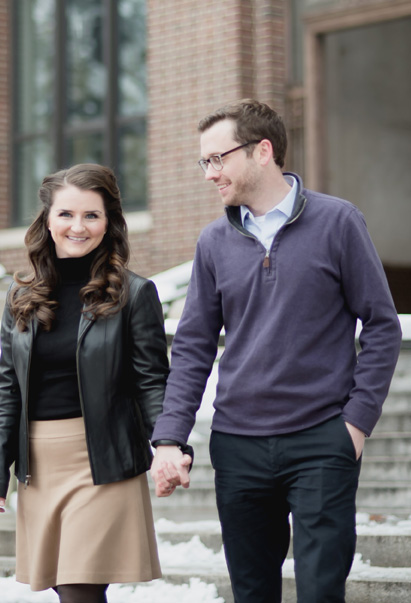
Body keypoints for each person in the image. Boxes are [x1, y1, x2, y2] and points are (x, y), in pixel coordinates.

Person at [150, 99, 403, 602]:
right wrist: (169, 437)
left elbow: (382, 325)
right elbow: (195, 347)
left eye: (218, 158)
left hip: (321, 441)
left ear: (262, 151)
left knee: (319, 591)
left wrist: (354, 425)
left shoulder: (338, 222)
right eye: (204, 161)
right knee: (251, 593)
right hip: (238, 445)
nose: (209, 173)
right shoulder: (213, 243)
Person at [0, 163, 177, 603]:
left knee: (79, 588)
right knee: (66, 587)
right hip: (39, 463)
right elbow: (8, 386)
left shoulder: (133, 294)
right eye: (66, 214)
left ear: (108, 225)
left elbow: (151, 382)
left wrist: (169, 444)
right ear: (47, 221)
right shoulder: (21, 297)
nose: (78, 226)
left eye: (92, 215)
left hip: (102, 460)